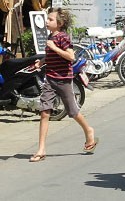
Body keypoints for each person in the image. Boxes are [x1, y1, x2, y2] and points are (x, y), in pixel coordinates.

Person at [30, 8, 98, 162]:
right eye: (47, 19)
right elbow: (50, 55)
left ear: (59, 23)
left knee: (72, 111)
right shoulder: (50, 36)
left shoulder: (63, 38)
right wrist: (40, 63)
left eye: (50, 20)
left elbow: (70, 56)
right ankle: (41, 149)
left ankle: (88, 130)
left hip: (64, 79)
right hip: (50, 79)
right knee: (44, 111)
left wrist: (54, 47)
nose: (47, 22)